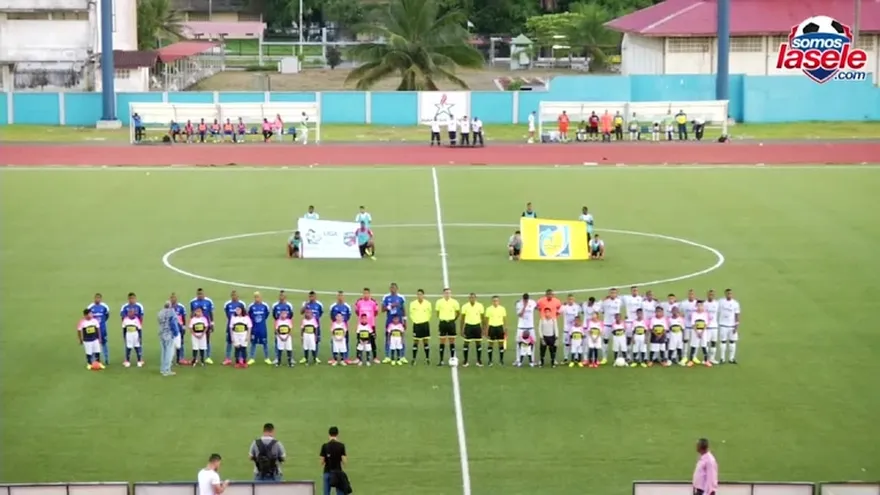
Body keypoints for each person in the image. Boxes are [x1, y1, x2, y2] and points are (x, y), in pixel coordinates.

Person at [320, 426, 351, 495]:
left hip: (327, 472)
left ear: (329, 434)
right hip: (338, 472)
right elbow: (344, 461)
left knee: (326, 493)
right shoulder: (341, 446)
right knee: (340, 492)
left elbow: (321, 462)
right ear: (337, 434)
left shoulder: (325, 446)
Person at [435, 288, 460, 365]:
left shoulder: (455, 302)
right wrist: (443, 318)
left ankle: (452, 358)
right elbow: (437, 313)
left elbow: (458, 312)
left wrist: (453, 319)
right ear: (443, 294)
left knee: (452, 341)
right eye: (446, 293)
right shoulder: (439, 302)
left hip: (451, 323)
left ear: (451, 294)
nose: (447, 294)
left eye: (449, 293)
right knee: (442, 341)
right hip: (443, 323)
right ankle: (441, 360)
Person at [381, 283, 406, 363]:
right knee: (388, 338)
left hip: (399, 322)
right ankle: (387, 356)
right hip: (390, 321)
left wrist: (405, 321)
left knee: (401, 337)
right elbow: (382, 310)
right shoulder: (386, 297)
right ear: (390, 289)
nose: (393, 289)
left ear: (397, 289)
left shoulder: (401, 297)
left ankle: (402, 356)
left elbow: (403, 309)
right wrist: (390, 306)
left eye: (394, 288)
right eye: (392, 288)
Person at [459, 292, 485, 367]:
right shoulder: (465, 306)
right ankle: (465, 361)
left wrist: (484, 329)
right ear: (469, 298)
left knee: (478, 343)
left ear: (475, 298)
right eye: (470, 297)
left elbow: (483, 318)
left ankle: (479, 360)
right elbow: (462, 319)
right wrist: (461, 330)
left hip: (477, 326)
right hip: (468, 327)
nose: (472, 299)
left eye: (473, 297)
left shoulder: (480, 306)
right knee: (466, 344)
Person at [190, 289, 215, 364]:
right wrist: (191, 322)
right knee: (196, 341)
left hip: (206, 324)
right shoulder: (193, 302)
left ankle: (208, 357)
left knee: (207, 340)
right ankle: (196, 358)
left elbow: (211, 313)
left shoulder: (208, 301)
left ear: (204, 294)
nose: (200, 295)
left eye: (201, 294)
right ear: (196, 294)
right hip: (196, 325)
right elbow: (191, 313)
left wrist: (212, 324)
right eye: (198, 294)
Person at [355, 288, 380, 364]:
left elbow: (376, 313)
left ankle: (375, 357)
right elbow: (357, 312)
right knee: (359, 341)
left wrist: (370, 320)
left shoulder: (373, 302)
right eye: (364, 293)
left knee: (372, 341)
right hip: (361, 326)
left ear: (369, 294)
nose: (365, 295)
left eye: (367, 293)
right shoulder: (359, 302)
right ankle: (358, 358)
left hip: (371, 325)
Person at [119, 292, 145, 365]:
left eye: (133, 298)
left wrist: (138, 324)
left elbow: (141, 316)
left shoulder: (139, 306)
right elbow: (123, 317)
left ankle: (139, 359)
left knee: (138, 343)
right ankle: (127, 360)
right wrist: (127, 323)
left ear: (135, 298)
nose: (132, 300)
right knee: (128, 345)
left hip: (136, 327)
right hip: (128, 328)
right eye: (130, 298)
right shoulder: (124, 307)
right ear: (128, 299)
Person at [248, 292, 272, 365]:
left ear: (261, 297)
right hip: (254, 329)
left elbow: (267, 315)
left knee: (265, 343)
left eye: (258, 297)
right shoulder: (251, 306)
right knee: (253, 343)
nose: (257, 298)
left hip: (262, 328)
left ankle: (267, 358)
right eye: (255, 297)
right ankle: (252, 358)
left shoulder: (265, 306)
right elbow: (249, 316)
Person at [223, 291, 247, 366]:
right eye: (233, 295)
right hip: (230, 326)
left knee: (240, 343)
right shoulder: (227, 304)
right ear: (231, 296)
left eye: (235, 295)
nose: (234, 296)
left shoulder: (242, 304)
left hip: (240, 327)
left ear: (238, 296)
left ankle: (240, 358)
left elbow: (244, 314)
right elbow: (227, 315)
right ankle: (228, 358)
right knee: (229, 342)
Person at [408, 289, 432, 365]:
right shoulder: (413, 304)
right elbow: (411, 313)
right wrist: (416, 320)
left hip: (425, 324)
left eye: (421, 294)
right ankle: (414, 359)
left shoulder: (428, 303)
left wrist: (425, 320)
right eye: (418, 294)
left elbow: (430, 313)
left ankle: (427, 358)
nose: (419, 296)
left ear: (423, 295)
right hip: (416, 325)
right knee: (416, 342)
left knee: (426, 341)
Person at [86, 293, 111, 365]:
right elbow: (87, 317)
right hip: (93, 329)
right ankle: (93, 360)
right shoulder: (90, 307)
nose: (97, 299)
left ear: (101, 299)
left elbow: (107, 316)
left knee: (104, 343)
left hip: (102, 328)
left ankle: (106, 359)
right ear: (94, 298)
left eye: (99, 298)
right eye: (96, 298)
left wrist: (102, 322)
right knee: (93, 344)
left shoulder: (104, 306)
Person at [718, 289, 741, 364]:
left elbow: (737, 315)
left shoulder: (735, 303)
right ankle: (722, 358)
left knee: (732, 342)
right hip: (723, 325)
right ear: (725, 294)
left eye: (730, 293)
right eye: (728, 293)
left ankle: (731, 358)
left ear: (732, 294)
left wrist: (736, 326)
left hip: (732, 326)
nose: (729, 295)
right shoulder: (720, 302)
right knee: (723, 341)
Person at [301, 292, 325, 362]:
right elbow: (301, 312)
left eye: (312, 296)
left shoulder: (319, 304)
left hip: (316, 325)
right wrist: (305, 306)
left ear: (315, 297)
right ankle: (305, 357)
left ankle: (315, 356)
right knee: (306, 340)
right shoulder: (305, 303)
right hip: (306, 325)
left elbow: (320, 313)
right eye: (310, 296)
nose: (311, 298)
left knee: (316, 340)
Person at [157, 302, 180, 376]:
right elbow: (173, 323)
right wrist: (176, 333)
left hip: (161, 334)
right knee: (169, 352)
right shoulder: (171, 312)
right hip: (169, 334)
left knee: (163, 352)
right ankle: (167, 370)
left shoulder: (160, 312)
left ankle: (162, 369)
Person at [600, 288, 622, 365]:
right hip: (607, 324)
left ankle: (618, 358)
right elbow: (602, 311)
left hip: (616, 325)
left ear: (616, 294)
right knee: (605, 341)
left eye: (614, 293)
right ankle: (604, 358)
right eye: (611, 293)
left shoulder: (619, 301)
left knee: (617, 341)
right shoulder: (605, 302)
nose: (613, 294)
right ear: (609, 293)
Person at [329, 291, 353, 362]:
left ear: (343, 297)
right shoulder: (333, 306)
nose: (340, 297)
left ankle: (345, 358)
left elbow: (349, 316)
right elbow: (331, 316)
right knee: (334, 341)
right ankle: (334, 358)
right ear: (337, 296)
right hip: (335, 328)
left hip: (344, 328)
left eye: (341, 296)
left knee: (345, 342)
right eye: (339, 296)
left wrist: (343, 323)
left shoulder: (347, 306)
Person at [515, 293, 537, 366]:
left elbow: (538, 306)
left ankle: (532, 360)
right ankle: (518, 360)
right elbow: (520, 315)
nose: (526, 300)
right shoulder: (519, 303)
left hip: (530, 326)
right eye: (525, 299)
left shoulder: (532, 302)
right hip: (521, 326)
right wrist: (524, 306)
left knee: (533, 343)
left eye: (527, 299)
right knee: (518, 343)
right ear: (523, 298)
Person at [484, 295, 507, 366]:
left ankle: (501, 360)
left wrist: (505, 328)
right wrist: (486, 330)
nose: (495, 302)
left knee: (501, 344)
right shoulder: (488, 309)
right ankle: (490, 361)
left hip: (500, 327)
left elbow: (504, 319)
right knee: (491, 344)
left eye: (496, 301)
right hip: (492, 328)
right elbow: (486, 321)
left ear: (499, 301)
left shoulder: (502, 309)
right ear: (492, 301)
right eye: (494, 301)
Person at [688, 301, 711, 366]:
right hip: (695, 332)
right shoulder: (694, 314)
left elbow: (706, 324)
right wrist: (697, 332)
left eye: (701, 305)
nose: (699, 307)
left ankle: (706, 361)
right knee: (693, 345)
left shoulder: (705, 314)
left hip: (703, 332)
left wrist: (702, 332)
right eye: (698, 306)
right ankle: (690, 361)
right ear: (696, 306)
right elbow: (693, 324)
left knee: (704, 345)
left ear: (703, 306)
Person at [170, 293, 189, 366]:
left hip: (179, 328)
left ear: (176, 299)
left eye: (174, 298)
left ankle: (180, 358)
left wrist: (184, 327)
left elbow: (183, 317)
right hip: (171, 329)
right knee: (171, 345)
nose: (173, 299)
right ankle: (170, 360)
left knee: (180, 344)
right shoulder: (168, 307)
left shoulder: (181, 307)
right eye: (172, 298)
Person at [560, 294, 579, 363]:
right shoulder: (564, 307)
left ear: (574, 300)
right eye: (569, 299)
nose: (570, 301)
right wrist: (562, 305)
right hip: (566, 329)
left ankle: (576, 357)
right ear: (567, 300)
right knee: (566, 344)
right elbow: (558, 312)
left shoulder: (576, 307)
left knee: (575, 343)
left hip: (574, 328)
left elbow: (577, 317)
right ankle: (565, 357)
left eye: (572, 299)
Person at [680, 289, 699, 354]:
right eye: (690, 294)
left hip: (695, 326)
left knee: (695, 341)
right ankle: (684, 356)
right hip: (687, 326)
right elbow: (680, 312)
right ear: (688, 295)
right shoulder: (684, 303)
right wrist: (682, 316)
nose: (691, 295)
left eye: (692, 294)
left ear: (694, 295)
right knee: (685, 341)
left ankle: (694, 356)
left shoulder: (697, 303)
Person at [704, 290, 721, 364]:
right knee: (706, 343)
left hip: (715, 326)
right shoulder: (704, 304)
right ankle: (706, 359)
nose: (711, 296)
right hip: (707, 327)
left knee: (713, 342)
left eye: (712, 295)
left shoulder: (717, 304)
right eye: (710, 294)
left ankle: (712, 358)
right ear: (707, 295)